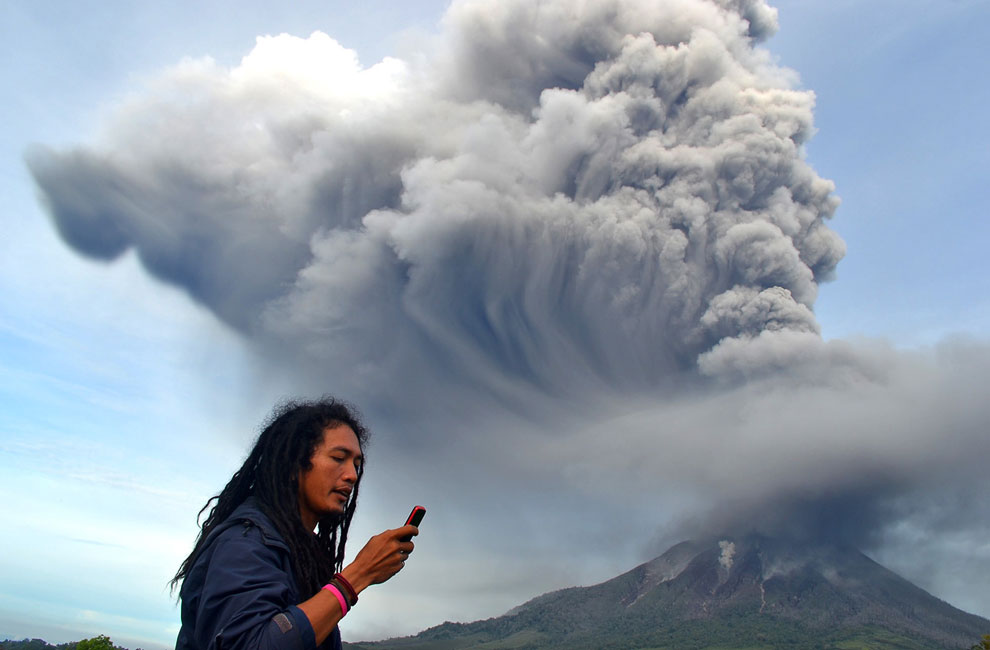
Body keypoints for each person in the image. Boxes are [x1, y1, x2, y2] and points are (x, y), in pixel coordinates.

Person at [171, 398, 418, 650]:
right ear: (293, 463)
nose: (352, 475)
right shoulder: (245, 542)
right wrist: (356, 576)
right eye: (338, 458)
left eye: (356, 465)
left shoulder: (300, 553)